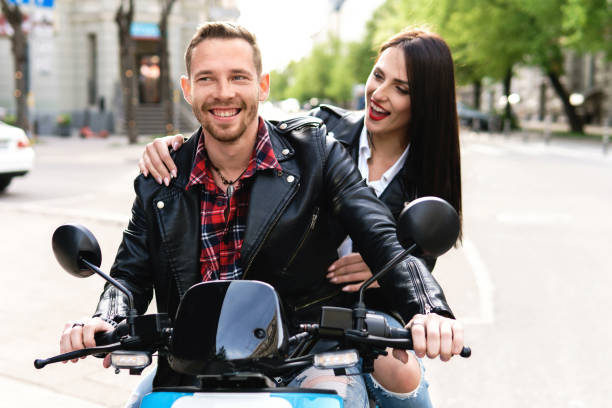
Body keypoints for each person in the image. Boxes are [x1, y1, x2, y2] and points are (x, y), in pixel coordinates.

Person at [61, 23, 464, 408]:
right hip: (191, 366)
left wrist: (429, 310)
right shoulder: (161, 177)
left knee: (392, 371)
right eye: (206, 79)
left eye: (238, 76)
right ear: (186, 89)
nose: (223, 93)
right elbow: (127, 274)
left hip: (306, 357)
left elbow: (379, 231)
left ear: (263, 85)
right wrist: (104, 318)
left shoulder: (315, 151)